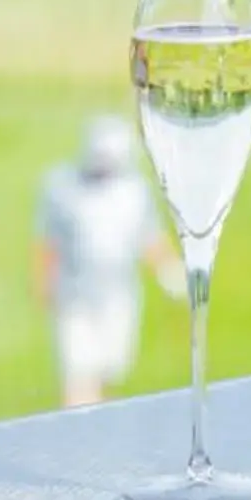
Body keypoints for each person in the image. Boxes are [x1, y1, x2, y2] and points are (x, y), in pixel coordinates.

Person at [34, 116, 177, 409]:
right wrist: (43, 281)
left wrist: (169, 273)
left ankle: (102, 435)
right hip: (74, 297)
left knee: (108, 371)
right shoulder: (62, 187)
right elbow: (48, 240)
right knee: (77, 375)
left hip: (118, 296)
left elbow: (149, 238)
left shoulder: (134, 191)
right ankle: (78, 438)